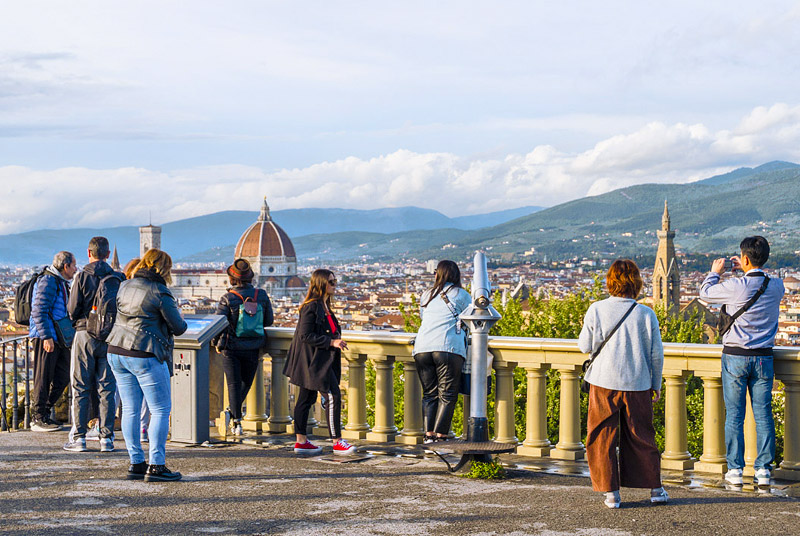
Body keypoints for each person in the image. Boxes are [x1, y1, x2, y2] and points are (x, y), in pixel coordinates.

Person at [578, 259, 668, 508]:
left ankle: (611, 494)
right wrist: (655, 383)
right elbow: (656, 354)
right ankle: (656, 490)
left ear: (610, 281)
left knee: (602, 436)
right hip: (638, 382)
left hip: (603, 381)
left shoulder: (596, 309)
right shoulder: (645, 313)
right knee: (642, 436)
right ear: (636, 283)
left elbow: (585, 346)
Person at [699, 236, 785, 487]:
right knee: (763, 414)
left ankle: (735, 470)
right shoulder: (777, 285)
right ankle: (763, 470)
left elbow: (705, 294)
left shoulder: (735, 285)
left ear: (744, 258)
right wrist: (747, 268)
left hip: (735, 357)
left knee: (735, 415)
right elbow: (757, 282)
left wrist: (715, 273)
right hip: (764, 358)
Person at [106, 249, 187, 482]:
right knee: (160, 409)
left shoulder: (125, 285)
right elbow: (179, 327)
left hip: (116, 351)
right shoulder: (160, 291)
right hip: (144, 353)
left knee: (130, 408)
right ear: (164, 269)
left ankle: (136, 463)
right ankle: (157, 465)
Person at [283, 269, 356, 455]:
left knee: (305, 399)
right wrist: (332, 342)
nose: (335, 285)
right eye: (331, 282)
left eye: (335, 281)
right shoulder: (312, 307)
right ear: (321, 284)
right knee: (332, 396)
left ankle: (301, 442)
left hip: (320, 360)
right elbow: (305, 335)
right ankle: (337, 441)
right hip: (314, 362)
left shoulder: (324, 306)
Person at [63, 237, 124, 453]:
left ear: (89, 253)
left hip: (84, 334)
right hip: (110, 338)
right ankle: (106, 438)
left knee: (81, 386)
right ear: (108, 255)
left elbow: (71, 310)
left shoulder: (81, 277)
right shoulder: (118, 277)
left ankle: (79, 437)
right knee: (107, 387)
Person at [212, 258, 274, 436]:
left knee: (233, 383)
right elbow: (268, 320)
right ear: (251, 277)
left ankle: (236, 420)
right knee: (246, 382)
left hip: (231, 347)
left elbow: (218, 323)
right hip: (253, 345)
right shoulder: (261, 295)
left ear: (231, 278)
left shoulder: (228, 298)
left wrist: (216, 342)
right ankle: (234, 414)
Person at [412, 260, 471, 443]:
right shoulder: (461, 294)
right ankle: (440, 435)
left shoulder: (426, 294)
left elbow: (424, 317)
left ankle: (428, 435)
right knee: (447, 394)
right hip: (448, 347)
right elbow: (472, 319)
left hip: (422, 347)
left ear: (437, 274)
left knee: (429, 393)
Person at [29, 251, 77, 432]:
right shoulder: (48, 281)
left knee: (63, 375)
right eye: (73, 265)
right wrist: (46, 337)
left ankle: (45, 412)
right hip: (47, 337)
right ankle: (39, 417)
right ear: (65, 266)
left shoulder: (59, 282)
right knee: (43, 376)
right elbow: (39, 310)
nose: (75, 269)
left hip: (58, 337)